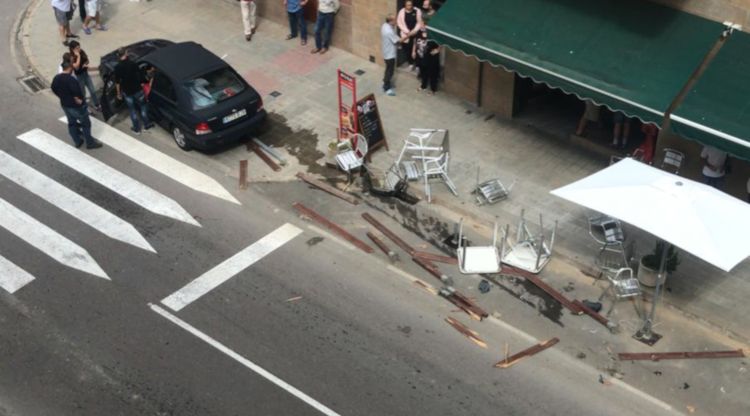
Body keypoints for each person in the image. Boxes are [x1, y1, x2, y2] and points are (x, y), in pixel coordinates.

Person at [50, 61, 102, 149]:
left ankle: (77, 141)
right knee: (86, 123)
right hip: (76, 107)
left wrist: (61, 96)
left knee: (72, 123)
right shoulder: (71, 79)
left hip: (65, 105)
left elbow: (53, 88)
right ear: (70, 68)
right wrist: (79, 100)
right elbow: (77, 92)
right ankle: (90, 143)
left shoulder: (56, 78)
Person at [114, 47, 153, 135]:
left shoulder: (117, 67)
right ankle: (147, 125)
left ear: (118, 55)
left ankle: (136, 129)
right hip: (138, 90)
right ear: (126, 53)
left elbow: (117, 82)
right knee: (143, 106)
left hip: (127, 92)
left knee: (132, 110)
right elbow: (140, 75)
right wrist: (145, 82)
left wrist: (118, 93)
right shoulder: (133, 64)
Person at [69, 41, 100, 112]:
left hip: (86, 74)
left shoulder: (82, 51)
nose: (79, 49)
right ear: (72, 49)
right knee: (83, 93)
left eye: (79, 47)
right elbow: (76, 68)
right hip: (79, 76)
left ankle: (97, 104)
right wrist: (78, 56)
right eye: (77, 48)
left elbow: (87, 60)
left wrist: (85, 64)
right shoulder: (72, 57)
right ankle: (85, 107)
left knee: (92, 90)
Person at [381, 14, 405, 96]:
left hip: (386, 52)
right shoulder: (389, 31)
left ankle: (385, 81)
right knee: (390, 71)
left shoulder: (385, 25)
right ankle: (386, 88)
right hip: (390, 54)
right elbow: (397, 41)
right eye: (395, 20)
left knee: (388, 69)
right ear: (391, 21)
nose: (396, 21)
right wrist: (408, 35)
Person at [397, 1, 423, 70]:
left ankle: (417, 64)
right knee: (408, 49)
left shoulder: (417, 11)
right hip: (406, 35)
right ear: (405, 6)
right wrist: (408, 32)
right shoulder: (401, 12)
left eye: (411, 5)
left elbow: (419, 22)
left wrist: (414, 31)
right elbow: (399, 23)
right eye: (408, 5)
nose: (410, 7)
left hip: (415, 33)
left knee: (417, 49)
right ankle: (411, 63)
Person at [414, 28, 440, 94]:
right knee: (423, 72)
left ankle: (433, 90)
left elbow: (440, 45)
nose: (422, 25)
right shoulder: (419, 32)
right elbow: (415, 42)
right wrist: (413, 51)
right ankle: (423, 86)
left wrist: (436, 51)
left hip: (431, 59)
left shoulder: (433, 34)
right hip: (421, 57)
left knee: (432, 74)